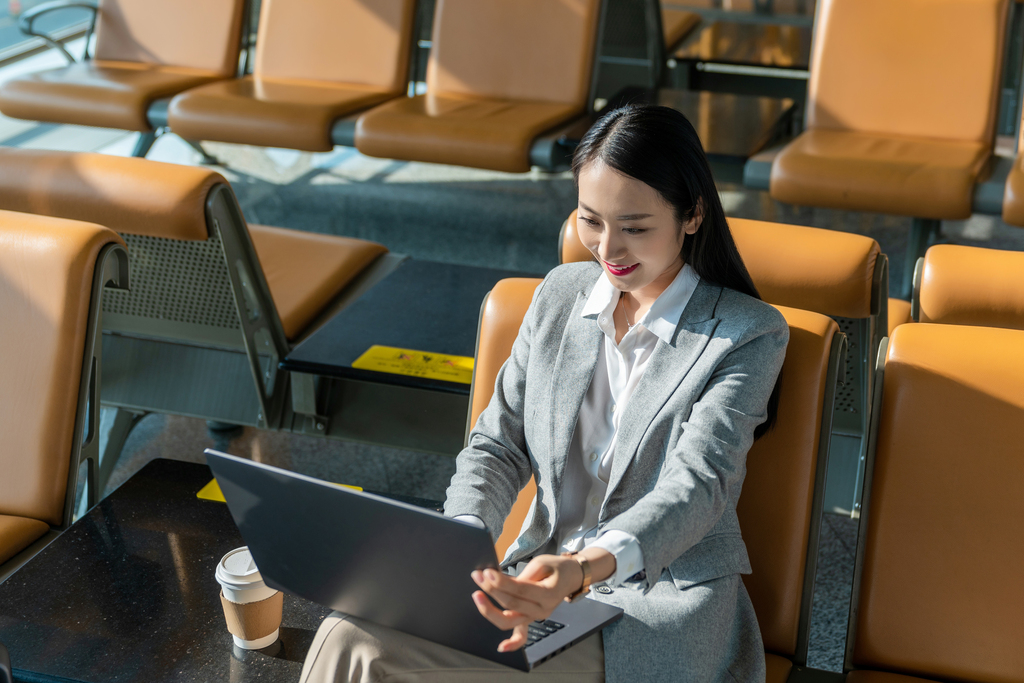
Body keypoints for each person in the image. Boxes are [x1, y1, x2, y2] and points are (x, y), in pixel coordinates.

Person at [300, 104, 788, 683]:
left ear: (692, 215)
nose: (609, 249)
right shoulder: (560, 295)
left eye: (635, 227)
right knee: (351, 631)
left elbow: (700, 484)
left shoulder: (746, 333)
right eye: (591, 220)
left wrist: (582, 569)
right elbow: (497, 445)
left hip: (653, 605)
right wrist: (458, 544)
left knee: (366, 650)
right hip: (541, 583)